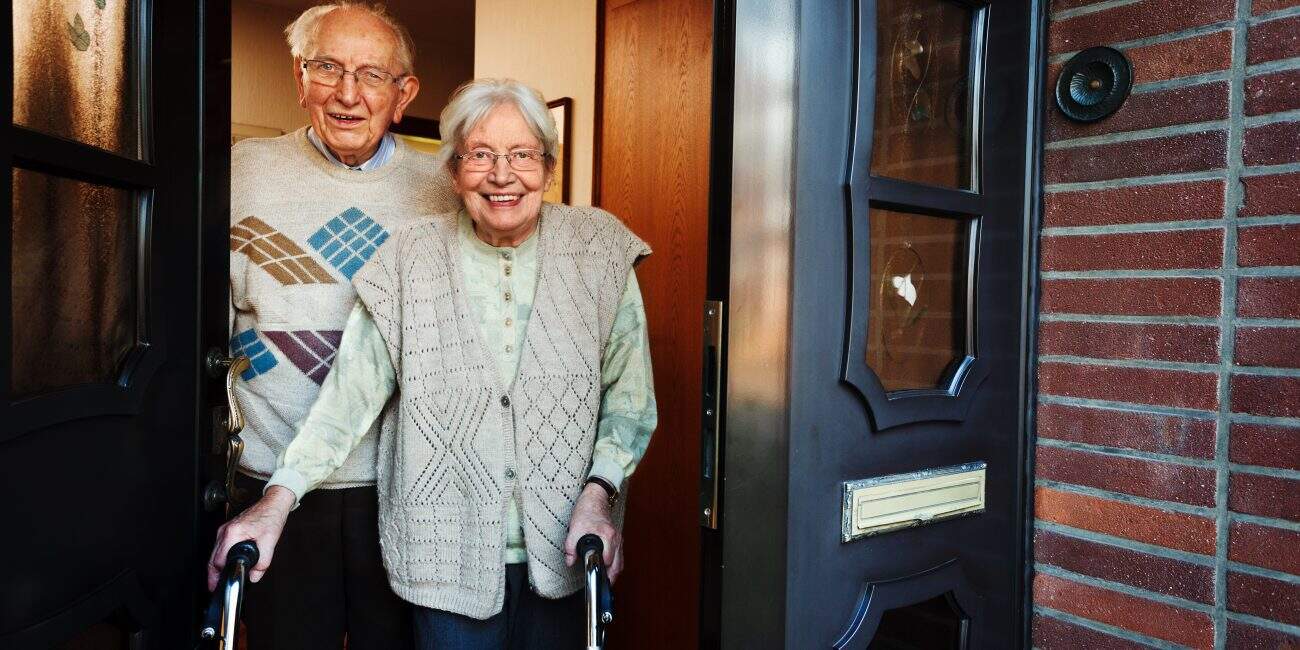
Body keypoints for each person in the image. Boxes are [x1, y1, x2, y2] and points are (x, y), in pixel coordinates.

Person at [211, 77, 658, 649]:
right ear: (452, 172)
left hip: (571, 548)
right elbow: (349, 398)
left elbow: (630, 400)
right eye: (480, 155)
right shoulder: (409, 258)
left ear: (548, 168)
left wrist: (600, 495)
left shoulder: (599, 250)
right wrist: (276, 501)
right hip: (445, 555)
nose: (502, 175)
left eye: (523, 155)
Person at [216, 2, 457, 647]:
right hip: (273, 482)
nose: (348, 94)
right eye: (329, 67)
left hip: (405, 485)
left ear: (404, 94)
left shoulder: (444, 190)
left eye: (372, 74)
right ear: (300, 79)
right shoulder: (236, 174)